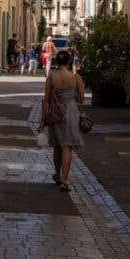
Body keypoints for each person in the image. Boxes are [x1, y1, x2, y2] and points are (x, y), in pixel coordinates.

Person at [37, 49, 85, 191]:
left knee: (57, 145)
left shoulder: (51, 77)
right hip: (70, 112)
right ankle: (64, 180)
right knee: (67, 146)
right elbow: (81, 99)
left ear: (57, 62)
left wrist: (42, 119)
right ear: (69, 61)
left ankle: (57, 174)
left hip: (55, 112)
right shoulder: (76, 78)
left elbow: (45, 100)